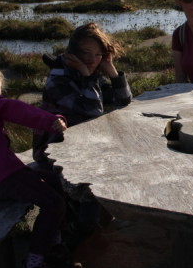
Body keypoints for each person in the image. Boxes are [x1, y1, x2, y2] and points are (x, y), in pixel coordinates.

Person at [0, 59, 68, 268]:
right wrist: (53, 121)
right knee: (54, 203)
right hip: (0, 176)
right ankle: (34, 265)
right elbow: (24, 112)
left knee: (53, 180)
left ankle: (53, 239)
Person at [33, 22, 132, 170]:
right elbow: (93, 110)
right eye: (86, 53)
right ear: (72, 53)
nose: (92, 60)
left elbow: (123, 100)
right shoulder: (58, 79)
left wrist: (111, 70)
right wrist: (86, 75)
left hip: (81, 145)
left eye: (98, 54)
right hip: (51, 152)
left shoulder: (90, 74)